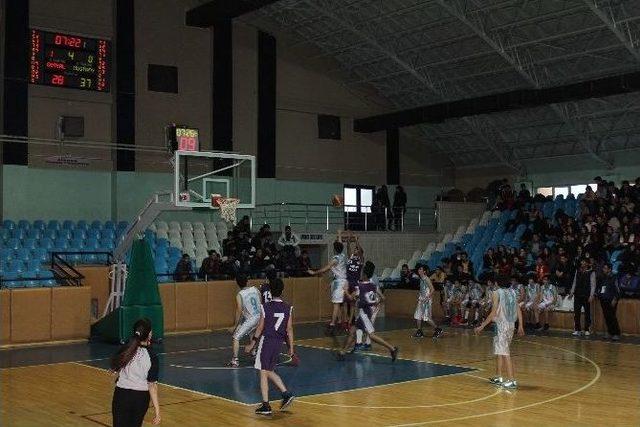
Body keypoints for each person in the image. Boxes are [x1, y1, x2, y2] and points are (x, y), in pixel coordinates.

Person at [244, 278, 295, 416]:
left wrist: (252, 344)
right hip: (278, 343)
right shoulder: (287, 308)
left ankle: (266, 405)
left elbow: (260, 328)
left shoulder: (266, 307)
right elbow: (289, 329)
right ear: (283, 291)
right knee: (268, 370)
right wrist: (291, 348)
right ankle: (286, 393)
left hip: (267, 341)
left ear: (270, 292)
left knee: (262, 371)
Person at [337, 261, 399, 361]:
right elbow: (382, 298)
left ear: (365, 275)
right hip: (367, 312)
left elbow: (350, 298)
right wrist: (375, 303)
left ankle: (392, 349)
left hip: (363, 314)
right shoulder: (373, 286)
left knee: (371, 335)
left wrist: (345, 290)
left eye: (362, 272)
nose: (360, 274)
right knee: (352, 331)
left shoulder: (359, 287)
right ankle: (343, 352)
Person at [474, 280, 525, 390]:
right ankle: (498, 376)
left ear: (496, 282)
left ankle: (512, 380)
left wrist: (482, 326)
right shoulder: (513, 292)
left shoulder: (496, 292)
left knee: (505, 352)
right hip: (511, 324)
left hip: (502, 324)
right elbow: (518, 309)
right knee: (500, 351)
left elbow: (493, 312)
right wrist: (520, 325)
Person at [110, 318, 161, 427]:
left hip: (121, 395)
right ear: (149, 334)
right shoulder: (152, 356)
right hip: (140, 398)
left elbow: (113, 369)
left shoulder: (126, 349)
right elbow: (152, 385)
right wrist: (157, 411)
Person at [308, 232, 347, 335]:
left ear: (334, 249)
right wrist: (339, 235)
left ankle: (332, 325)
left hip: (339, 282)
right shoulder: (343, 255)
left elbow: (326, 268)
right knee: (338, 304)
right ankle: (339, 322)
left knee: (336, 305)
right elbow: (339, 244)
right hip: (340, 281)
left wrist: (314, 272)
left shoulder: (335, 259)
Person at [227, 274, 262, 367]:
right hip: (260, 316)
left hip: (252, 319)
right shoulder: (255, 289)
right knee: (252, 333)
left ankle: (235, 360)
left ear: (238, 284)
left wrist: (235, 326)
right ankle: (254, 353)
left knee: (236, 337)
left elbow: (239, 310)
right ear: (248, 281)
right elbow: (260, 302)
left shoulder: (240, 294)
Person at [413, 265, 443, 338]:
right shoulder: (421, 279)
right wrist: (420, 297)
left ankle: (438, 329)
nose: (419, 270)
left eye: (420, 269)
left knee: (426, 318)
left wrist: (426, 298)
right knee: (418, 316)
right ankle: (419, 331)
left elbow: (432, 289)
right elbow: (422, 290)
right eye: (419, 269)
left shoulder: (426, 279)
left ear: (424, 271)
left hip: (426, 300)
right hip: (421, 300)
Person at [569, 259, 596, 336]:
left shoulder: (591, 272)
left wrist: (591, 295)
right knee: (577, 313)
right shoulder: (578, 271)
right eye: (582, 261)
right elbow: (574, 282)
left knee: (587, 313)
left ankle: (587, 329)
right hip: (577, 294)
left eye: (584, 262)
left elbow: (593, 284)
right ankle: (577, 329)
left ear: (587, 263)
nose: (582, 263)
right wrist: (572, 292)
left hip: (586, 295)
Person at [598, 263, 621, 341]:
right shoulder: (603, 277)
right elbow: (601, 288)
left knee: (612, 317)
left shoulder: (614, 277)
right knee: (607, 317)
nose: (603, 269)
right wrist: (599, 294)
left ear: (610, 269)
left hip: (611, 300)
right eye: (603, 268)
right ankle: (610, 332)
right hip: (603, 299)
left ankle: (616, 333)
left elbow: (618, 290)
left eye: (605, 268)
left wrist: (615, 299)